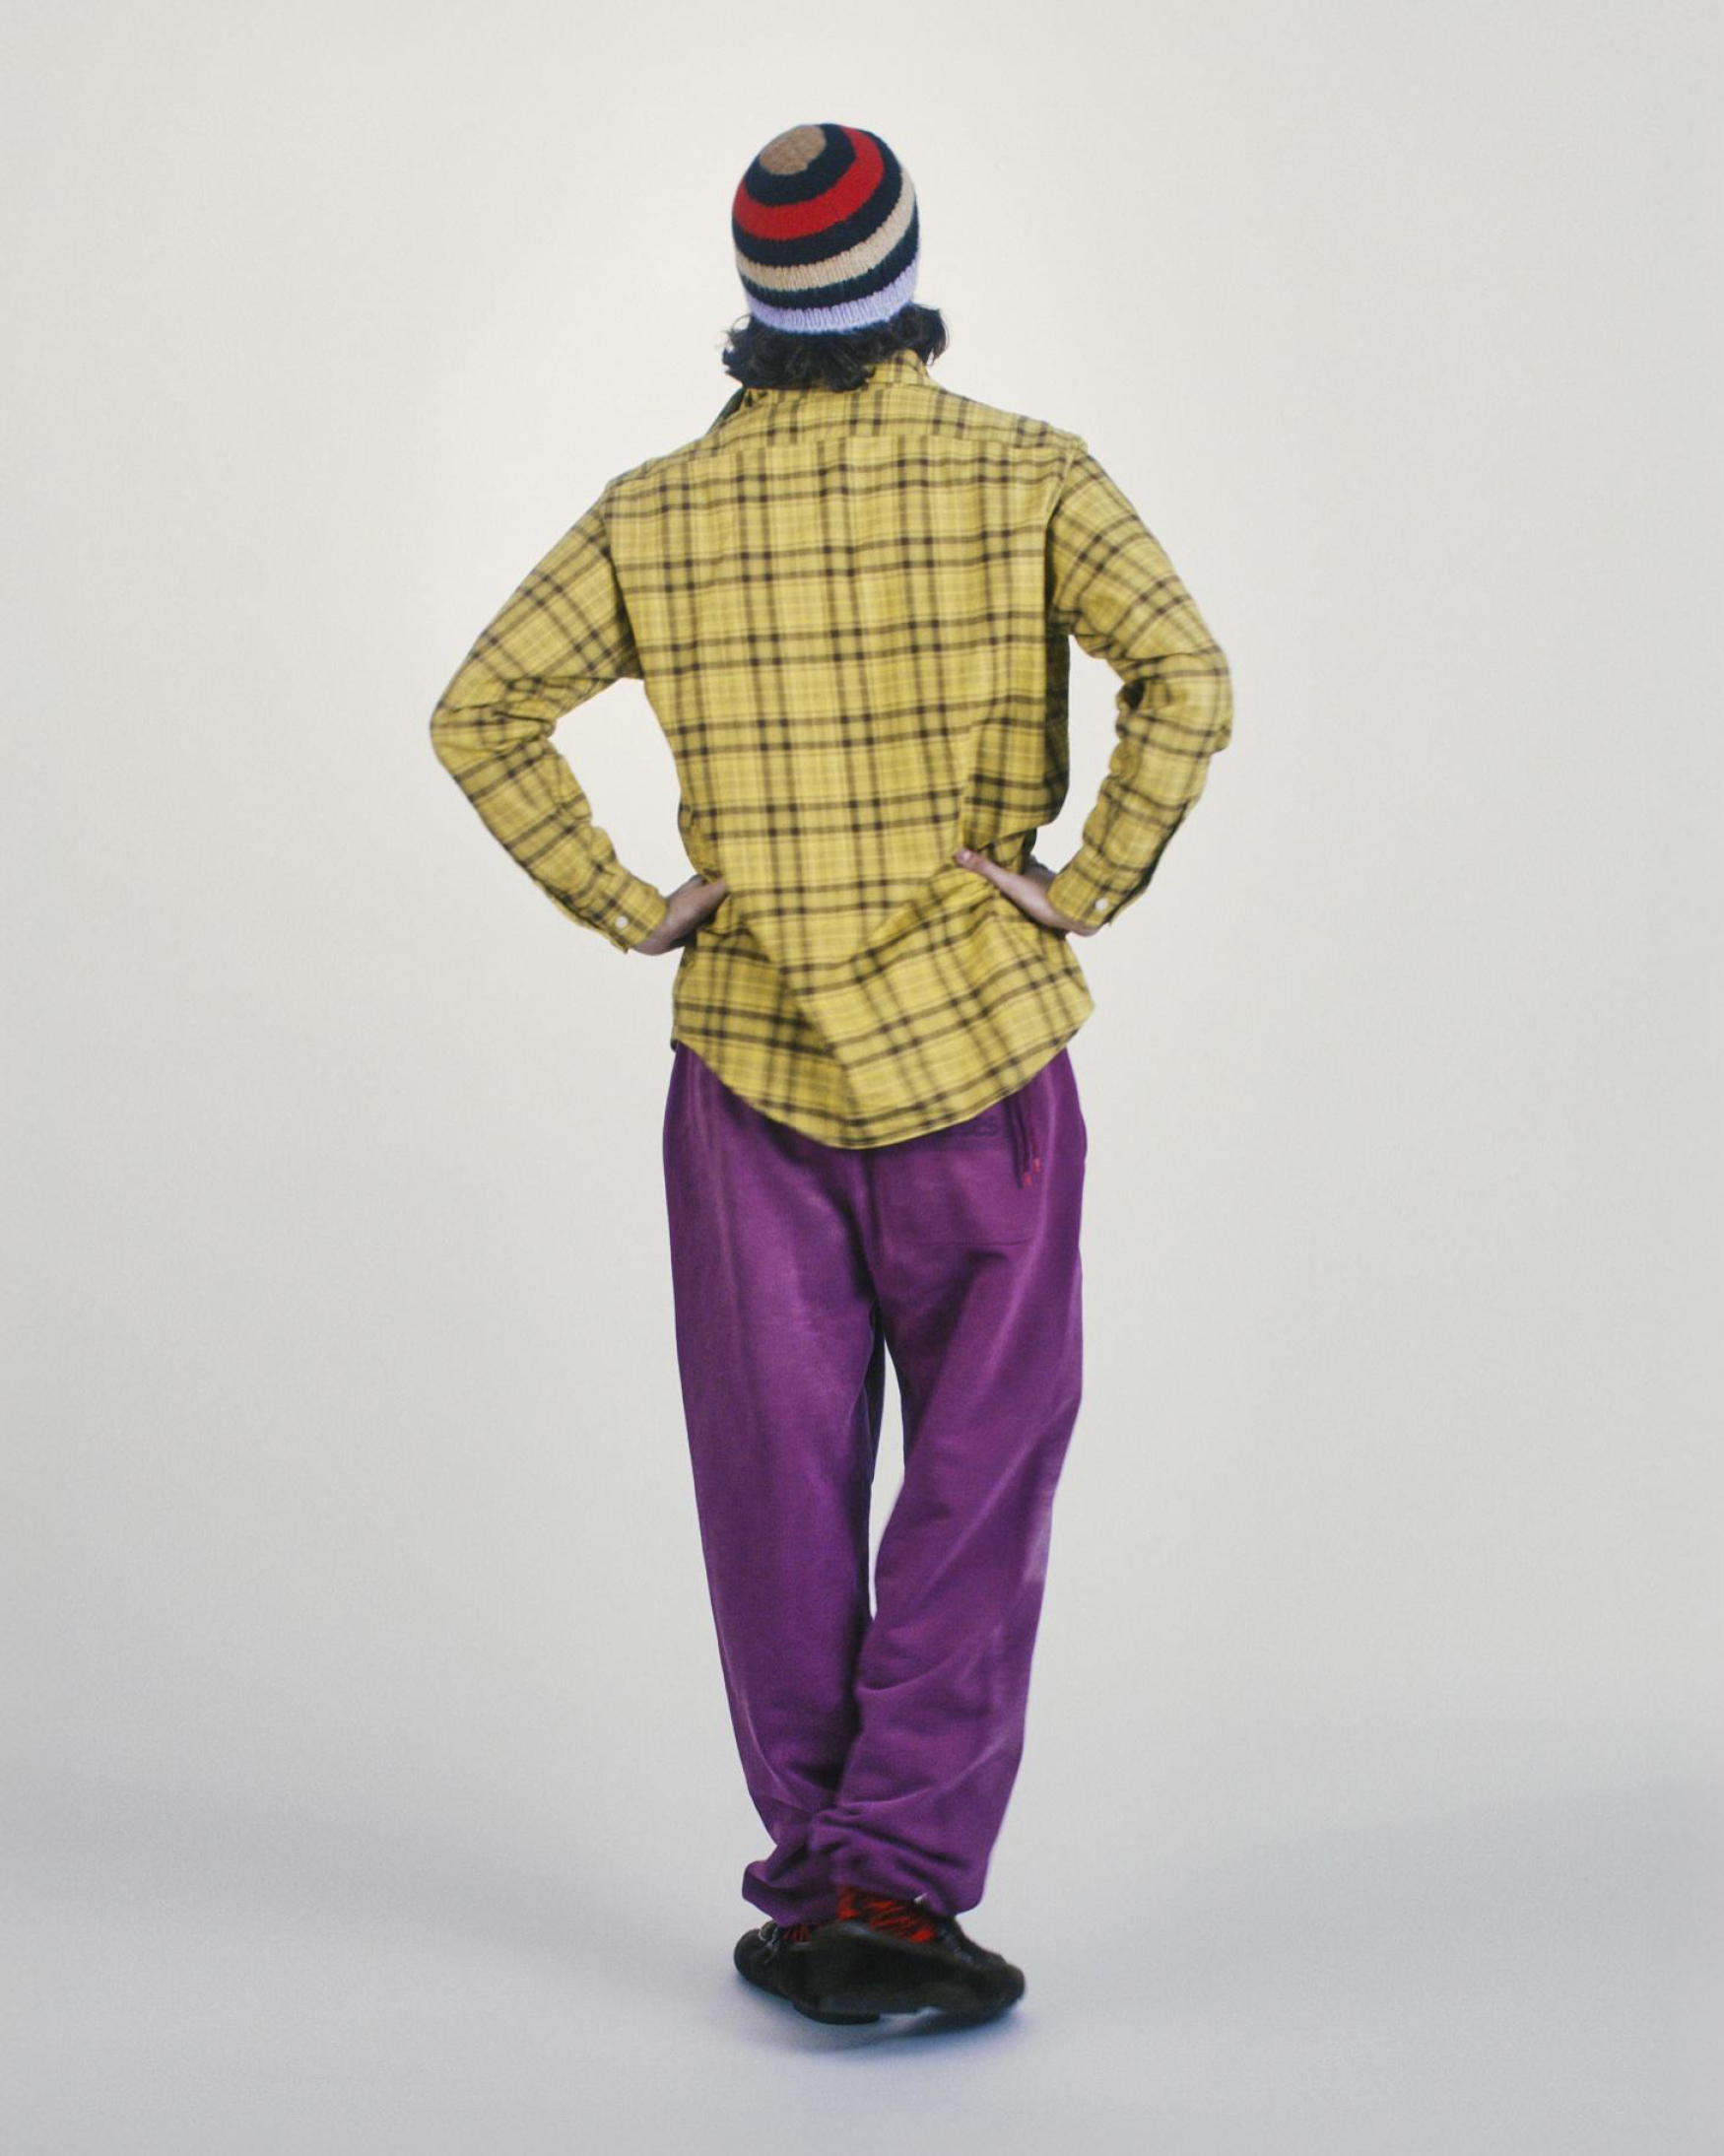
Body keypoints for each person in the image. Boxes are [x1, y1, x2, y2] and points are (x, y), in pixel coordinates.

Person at [428, 121, 1233, 2026]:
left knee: (770, 1482)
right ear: (906, 275)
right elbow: (1185, 677)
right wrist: (1077, 887)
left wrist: (631, 903)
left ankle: (819, 1889)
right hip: (982, 1058)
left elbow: (479, 710)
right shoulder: (1031, 471)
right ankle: (899, 1886)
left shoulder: (653, 510)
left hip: (746, 1071)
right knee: (979, 1472)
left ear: (753, 298)